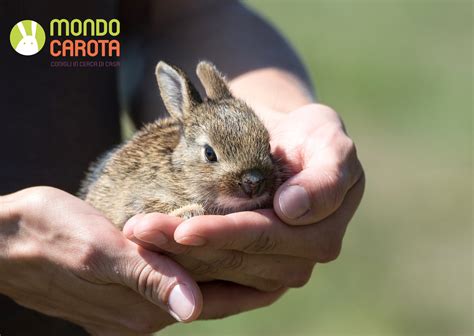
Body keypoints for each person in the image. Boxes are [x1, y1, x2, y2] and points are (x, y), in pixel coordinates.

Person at [0, 0, 365, 334]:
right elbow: (134, 208)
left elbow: (186, 12)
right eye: (212, 157)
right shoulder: (165, 186)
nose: (253, 181)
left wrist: (285, 114)